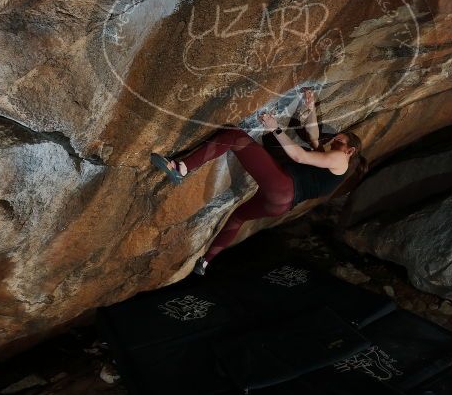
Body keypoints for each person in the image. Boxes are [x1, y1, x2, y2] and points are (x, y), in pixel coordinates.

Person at [151, 88, 367, 276]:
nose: (335, 138)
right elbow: (314, 137)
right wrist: (310, 107)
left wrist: (275, 128)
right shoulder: (334, 164)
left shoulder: (341, 159)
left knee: (235, 137)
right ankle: (206, 262)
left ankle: (181, 168)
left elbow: (300, 156)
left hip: (282, 187)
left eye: (340, 139)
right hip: (280, 205)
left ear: (350, 150)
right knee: (238, 216)